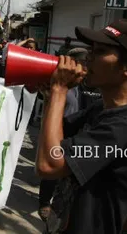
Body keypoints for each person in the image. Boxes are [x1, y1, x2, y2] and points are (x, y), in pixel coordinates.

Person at [36, 19, 127, 234]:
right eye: (91, 49)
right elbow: (52, 140)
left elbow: (49, 165)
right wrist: (49, 96)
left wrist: (59, 91)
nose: (89, 57)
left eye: (100, 51)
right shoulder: (101, 108)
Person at [37, 47, 102, 222]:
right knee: (52, 172)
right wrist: (54, 93)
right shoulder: (67, 83)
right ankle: (45, 202)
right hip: (63, 129)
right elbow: (46, 165)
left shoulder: (95, 89)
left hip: (81, 133)